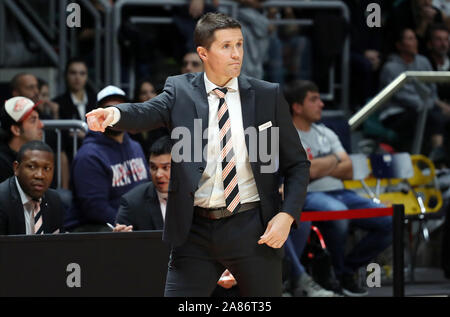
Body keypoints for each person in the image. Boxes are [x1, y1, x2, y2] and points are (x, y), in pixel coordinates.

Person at [85, 12, 310, 297]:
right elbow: (146, 112)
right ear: (203, 52)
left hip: (252, 227)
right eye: (226, 46)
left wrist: (287, 215)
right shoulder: (180, 91)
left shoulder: (267, 94)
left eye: (239, 44)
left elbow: (298, 164)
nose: (236, 54)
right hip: (195, 231)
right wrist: (115, 113)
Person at [284, 79, 392, 297]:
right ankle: (332, 275)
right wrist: (334, 160)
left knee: (388, 220)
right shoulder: (287, 134)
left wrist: (320, 164)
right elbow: (306, 173)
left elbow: (349, 169)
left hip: (342, 192)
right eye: (313, 100)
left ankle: (347, 271)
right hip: (309, 194)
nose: (321, 104)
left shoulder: (326, 132)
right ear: (297, 107)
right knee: (337, 214)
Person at [64, 85, 150, 233]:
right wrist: (133, 225)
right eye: (108, 109)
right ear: (98, 115)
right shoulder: (89, 156)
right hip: (96, 229)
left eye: (120, 109)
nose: (114, 114)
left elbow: (147, 190)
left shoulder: (135, 146)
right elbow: (95, 209)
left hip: (131, 224)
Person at [379, 27, 447, 158]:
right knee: (431, 117)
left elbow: (432, 89)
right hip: (396, 113)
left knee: (438, 118)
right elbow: (402, 97)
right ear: (399, 45)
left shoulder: (423, 61)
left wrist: (436, 105)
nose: (415, 42)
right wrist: (433, 105)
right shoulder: (390, 67)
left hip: (425, 108)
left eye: (415, 38)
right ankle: (436, 156)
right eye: (410, 39)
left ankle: (440, 159)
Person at [0, 140, 63, 235]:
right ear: (16, 168)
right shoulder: (2, 200)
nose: (40, 175)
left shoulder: (54, 200)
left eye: (47, 168)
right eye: (32, 167)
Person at [0, 97, 44, 183]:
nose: (41, 125)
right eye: (33, 120)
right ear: (16, 130)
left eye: (39, 119)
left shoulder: (39, 155)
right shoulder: (2, 164)